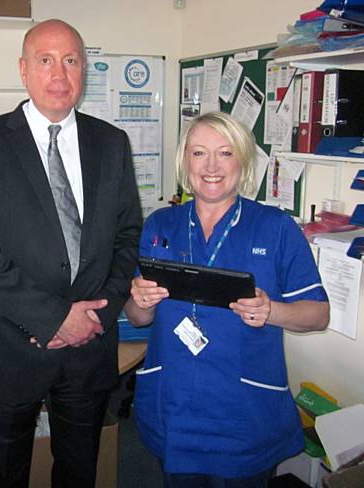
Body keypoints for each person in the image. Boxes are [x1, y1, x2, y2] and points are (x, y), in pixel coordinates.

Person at [0, 19, 142, 488]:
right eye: (45, 60)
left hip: (89, 348)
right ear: (23, 69)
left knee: (79, 472)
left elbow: (127, 236)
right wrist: (54, 318)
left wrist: (97, 316)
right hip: (11, 347)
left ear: (84, 70)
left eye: (71, 60)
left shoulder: (111, 143)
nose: (59, 74)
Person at [125, 111, 330, 488]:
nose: (212, 166)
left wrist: (272, 311)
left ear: (243, 161)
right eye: (199, 153)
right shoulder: (160, 225)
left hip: (244, 414)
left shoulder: (276, 227)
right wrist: (140, 300)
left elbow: (318, 315)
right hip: (175, 407)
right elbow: (138, 318)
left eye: (225, 153)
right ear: (185, 162)